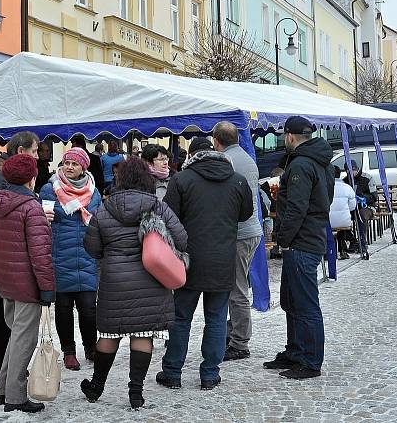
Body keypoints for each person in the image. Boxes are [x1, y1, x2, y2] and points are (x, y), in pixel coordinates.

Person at [82, 157, 188, 409]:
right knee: (142, 334)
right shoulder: (158, 207)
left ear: (120, 179)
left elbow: (92, 249)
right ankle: (136, 393)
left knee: (109, 334)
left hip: (114, 282)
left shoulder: (103, 210)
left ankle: (96, 386)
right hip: (150, 281)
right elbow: (182, 239)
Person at [158, 138, 253, 391]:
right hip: (223, 259)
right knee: (217, 319)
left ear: (191, 156)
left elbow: (168, 217)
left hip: (189, 259)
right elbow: (245, 214)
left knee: (180, 318)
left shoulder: (181, 179)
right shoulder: (237, 180)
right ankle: (210, 374)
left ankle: (172, 371)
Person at [0, 153, 55, 414]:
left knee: (16, 338)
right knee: (23, 341)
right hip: (27, 284)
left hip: (6, 281)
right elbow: (40, 254)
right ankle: (15, 395)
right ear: (32, 178)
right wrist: (47, 288)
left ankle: (4, 389)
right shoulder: (31, 207)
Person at [266, 116, 333, 380]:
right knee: (291, 300)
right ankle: (295, 351)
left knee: (305, 304)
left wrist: (283, 238)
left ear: (290, 137)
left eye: (284, 137)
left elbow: (297, 207)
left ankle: (310, 360)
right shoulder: (316, 162)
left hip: (302, 242)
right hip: (305, 239)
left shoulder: (302, 165)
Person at [0, 131, 41, 385]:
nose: (38, 157)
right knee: (3, 315)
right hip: (6, 257)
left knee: (13, 319)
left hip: (9, 256)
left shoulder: (3, 177)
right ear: (21, 152)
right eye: (35, 151)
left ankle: (8, 370)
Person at [39, 147, 101, 371]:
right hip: (60, 256)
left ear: (83, 167)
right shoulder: (50, 189)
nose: (69, 167)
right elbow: (42, 220)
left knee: (88, 309)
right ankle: (69, 351)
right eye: (66, 163)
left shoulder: (93, 192)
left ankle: (90, 346)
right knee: (63, 309)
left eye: (75, 164)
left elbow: (99, 220)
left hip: (86, 256)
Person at [211, 121, 263, 362]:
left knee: (236, 289)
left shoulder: (227, 162)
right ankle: (234, 333)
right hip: (252, 230)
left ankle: (240, 342)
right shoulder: (246, 158)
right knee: (237, 284)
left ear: (216, 141)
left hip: (240, 232)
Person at [329, 166, 357, 260]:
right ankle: (342, 250)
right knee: (341, 223)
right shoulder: (347, 187)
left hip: (328, 221)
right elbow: (353, 207)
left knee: (327, 224)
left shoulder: (323, 187)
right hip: (344, 221)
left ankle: (328, 251)